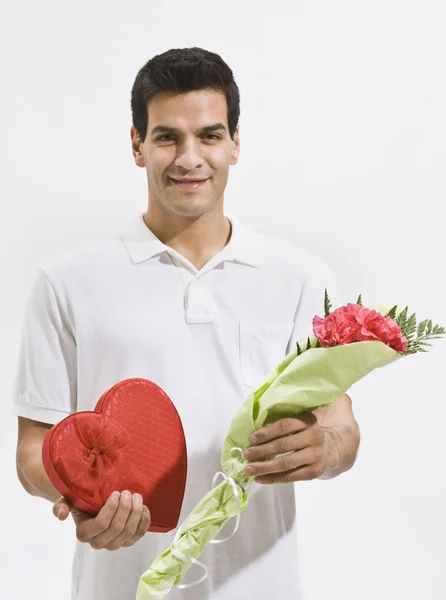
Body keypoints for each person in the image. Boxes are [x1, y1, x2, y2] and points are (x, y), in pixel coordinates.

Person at [12, 47, 360, 600]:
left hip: (262, 585)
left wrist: (326, 448)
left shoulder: (299, 277)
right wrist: (83, 495)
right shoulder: (65, 282)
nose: (189, 157)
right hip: (119, 586)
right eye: (167, 137)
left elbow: (342, 426)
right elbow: (33, 451)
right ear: (137, 145)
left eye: (210, 135)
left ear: (236, 144)